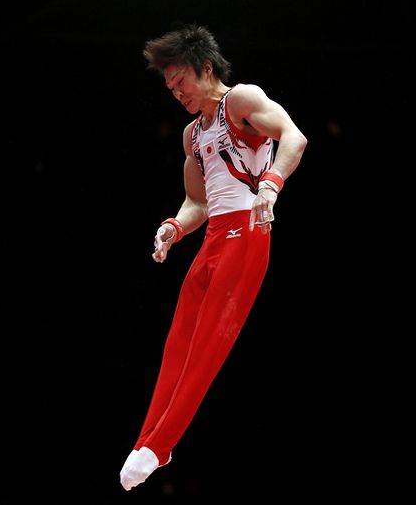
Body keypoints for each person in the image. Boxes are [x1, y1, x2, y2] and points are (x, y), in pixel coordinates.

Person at [119, 24, 307, 491]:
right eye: (168, 86)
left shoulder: (241, 100)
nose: (175, 92)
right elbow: (198, 203)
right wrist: (174, 227)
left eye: (179, 81)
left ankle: (160, 446)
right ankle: (147, 439)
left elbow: (294, 137)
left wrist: (271, 184)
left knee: (207, 345)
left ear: (205, 69)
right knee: (177, 342)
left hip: (248, 233)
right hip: (213, 240)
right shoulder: (191, 135)